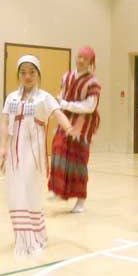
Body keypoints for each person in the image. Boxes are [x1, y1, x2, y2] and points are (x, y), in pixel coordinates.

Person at [0, 55, 80, 255]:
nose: (27, 76)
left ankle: (36, 237)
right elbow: (4, 123)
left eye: (32, 72)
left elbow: (58, 113)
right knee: (15, 194)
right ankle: (22, 238)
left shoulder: (44, 97)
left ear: (38, 74)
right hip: (13, 155)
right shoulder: (11, 98)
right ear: (18, 74)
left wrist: (69, 128)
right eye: (23, 72)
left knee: (29, 192)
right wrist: (3, 148)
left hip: (33, 156)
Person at [47, 46, 101, 213]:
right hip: (65, 120)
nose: (80, 60)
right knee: (58, 150)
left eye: (85, 58)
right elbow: (62, 95)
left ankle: (80, 199)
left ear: (90, 61)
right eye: (79, 57)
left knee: (78, 161)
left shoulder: (93, 82)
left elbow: (90, 106)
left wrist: (66, 104)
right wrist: (57, 103)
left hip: (82, 125)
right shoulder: (66, 77)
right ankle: (58, 189)